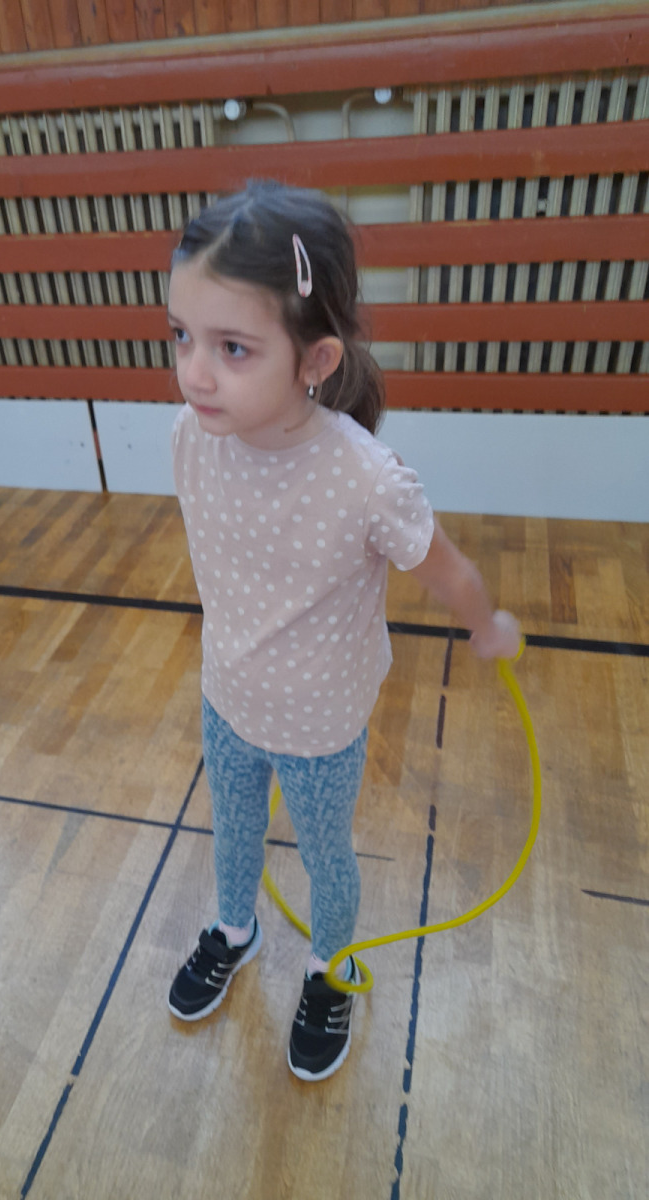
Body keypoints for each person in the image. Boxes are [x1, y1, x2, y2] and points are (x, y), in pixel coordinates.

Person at [165, 180, 520, 1082]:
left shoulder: (367, 479)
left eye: (232, 347)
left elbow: (448, 570)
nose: (195, 372)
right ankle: (235, 930)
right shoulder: (191, 436)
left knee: (326, 856)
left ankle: (332, 969)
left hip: (321, 723)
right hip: (227, 697)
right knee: (232, 830)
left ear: (315, 359)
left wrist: (487, 625)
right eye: (182, 336)